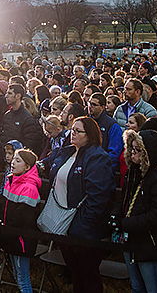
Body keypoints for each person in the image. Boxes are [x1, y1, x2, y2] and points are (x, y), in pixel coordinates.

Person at [42, 116, 115, 293]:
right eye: (72, 130)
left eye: (78, 131)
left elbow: (97, 197)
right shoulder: (66, 152)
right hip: (63, 224)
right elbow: (47, 165)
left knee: (88, 276)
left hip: (84, 230)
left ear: (89, 135)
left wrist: (79, 227)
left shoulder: (97, 158)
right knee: (76, 274)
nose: (72, 133)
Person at [116, 129, 157, 293]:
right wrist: (116, 217)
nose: (133, 153)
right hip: (130, 239)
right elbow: (124, 200)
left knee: (152, 288)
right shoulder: (132, 173)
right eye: (132, 149)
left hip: (150, 243)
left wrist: (127, 223)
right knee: (136, 286)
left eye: (138, 150)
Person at [0, 147, 41, 293]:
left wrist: (6, 232)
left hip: (21, 240)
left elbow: (23, 218)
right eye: (14, 159)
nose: (13, 163)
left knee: (23, 278)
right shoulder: (11, 181)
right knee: (17, 275)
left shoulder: (29, 188)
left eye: (18, 161)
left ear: (27, 167)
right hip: (10, 236)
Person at [0, 84, 45, 156]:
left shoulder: (27, 118)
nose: (6, 96)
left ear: (18, 96)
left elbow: (30, 143)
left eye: (10, 93)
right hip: (5, 157)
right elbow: (3, 136)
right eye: (6, 93)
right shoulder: (7, 115)